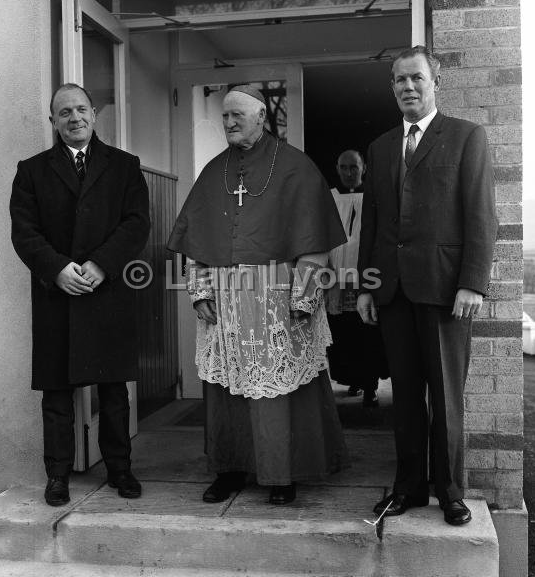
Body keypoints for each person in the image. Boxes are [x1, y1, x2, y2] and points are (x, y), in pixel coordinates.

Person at [168, 84, 348, 505]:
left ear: (261, 118)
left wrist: (303, 298)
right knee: (225, 388)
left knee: (281, 389)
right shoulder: (214, 171)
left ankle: (281, 474)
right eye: (225, 116)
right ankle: (229, 470)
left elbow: (315, 243)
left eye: (237, 116)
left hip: (276, 301)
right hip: (227, 304)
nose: (228, 122)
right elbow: (197, 242)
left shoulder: (295, 168)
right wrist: (199, 291)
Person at [357, 46, 497, 526]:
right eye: (399, 81)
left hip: (445, 293)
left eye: (416, 78)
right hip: (392, 292)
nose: (407, 87)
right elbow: (371, 227)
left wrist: (472, 283)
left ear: (436, 81)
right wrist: (366, 286)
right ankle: (409, 489)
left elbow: (481, 216)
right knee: (406, 399)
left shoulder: (465, 137)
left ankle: (451, 492)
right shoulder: (378, 148)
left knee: (446, 397)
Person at [10, 83, 150, 506]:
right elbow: (24, 232)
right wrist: (57, 269)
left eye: (81, 109)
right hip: (58, 295)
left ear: (94, 114)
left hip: (106, 292)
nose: (75, 118)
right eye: (64, 112)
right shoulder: (32, 170)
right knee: (56, 395)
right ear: (53, 121)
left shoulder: (125, 166)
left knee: (112, 393)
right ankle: (57, 476)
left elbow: (136, 223)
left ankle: (120, 470)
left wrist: (100, 264)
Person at [326, 150, 388, 406]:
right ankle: (353, 379)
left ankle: (370, 385)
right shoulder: (329, 198)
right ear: (337, 169)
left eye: (354, 167)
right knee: (344, 333)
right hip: (338, 276)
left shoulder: (374, 198)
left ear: (363, 168)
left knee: (367, 333)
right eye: (343, 167)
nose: (349, 172)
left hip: (366, 277)